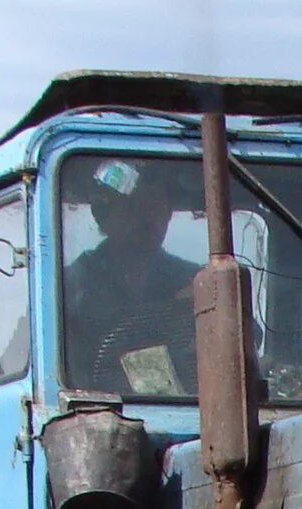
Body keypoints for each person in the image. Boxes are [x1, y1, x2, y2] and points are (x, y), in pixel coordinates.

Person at [64, 158, 200, 395]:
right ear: (102, 214)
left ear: (168, 213)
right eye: (132, 206)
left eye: (155, 206)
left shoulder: (196, 283)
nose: (147, 218)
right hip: (95, 420)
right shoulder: (70, 287)